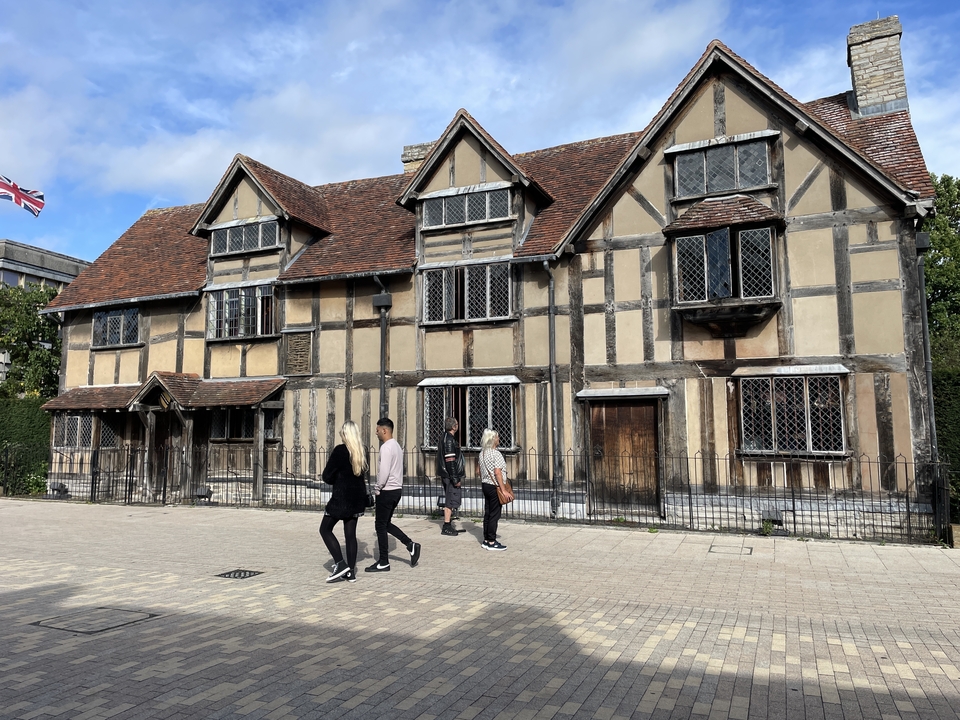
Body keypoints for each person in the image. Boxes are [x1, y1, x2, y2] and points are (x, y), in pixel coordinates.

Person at [366, 418, 421, 573]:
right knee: (386, 524)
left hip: (387, 490)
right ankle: (410, 545)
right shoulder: (396, 446)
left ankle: (383, 561)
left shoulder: (386, 447)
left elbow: (384, 472)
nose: (376, 433)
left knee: (380, 526)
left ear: (385, 430)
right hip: (396, 490)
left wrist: (377, 488)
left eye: (378, 430)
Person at [319, 421, 369, 583]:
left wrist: (337, 478)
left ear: (345, 434)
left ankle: (340, 564)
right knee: (350, 535)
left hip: (341, 499)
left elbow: (327, 476)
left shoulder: (340, 451)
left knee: (325, 529)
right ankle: (351, 573)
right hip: (357, 499)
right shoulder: (362, 451)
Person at [478, 428, 508, 551]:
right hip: (494, 486)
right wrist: (503, 489)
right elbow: (497, 472)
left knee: (488, 512)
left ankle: (486, 539)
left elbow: (478, 471)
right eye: (497, 437)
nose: (498, 439)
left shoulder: (482, 453)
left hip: (485, 484)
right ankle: (491, 541)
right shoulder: (496, 454)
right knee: (495, 514)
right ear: (492, 439)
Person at [436, 417, 465, 536]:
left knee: (450, 498)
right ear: (453, 427)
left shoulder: (445, 437)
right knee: (450, 499)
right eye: (456, 424)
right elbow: (450, 461)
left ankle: (448, 524)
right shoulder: (449, 440)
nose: (457, 426)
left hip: (446, 474)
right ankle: (446, 526)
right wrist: (455, 478)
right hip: (449, 475)